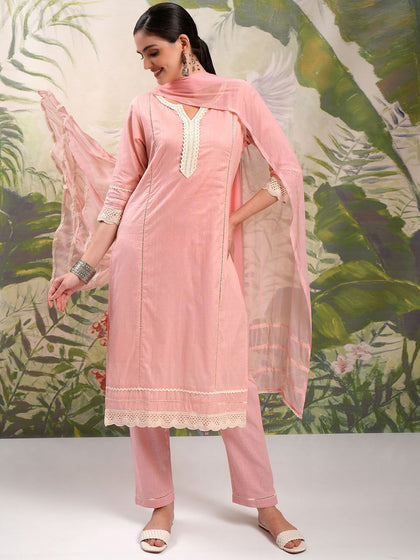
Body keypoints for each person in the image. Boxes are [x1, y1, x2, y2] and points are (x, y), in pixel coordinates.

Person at [47, 2, 311, 554]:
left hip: (208, 260)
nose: (147, 65)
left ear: (183, 43)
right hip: (143, 258)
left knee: (233, 378)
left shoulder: (238, 98)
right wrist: (81, 269)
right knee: (146, 376)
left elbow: (286, 171)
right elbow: (120, 195)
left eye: (154, 52)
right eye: (141, 56)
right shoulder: (144, 107)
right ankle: (160, 505)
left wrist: (230, 221)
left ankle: (266, 505)